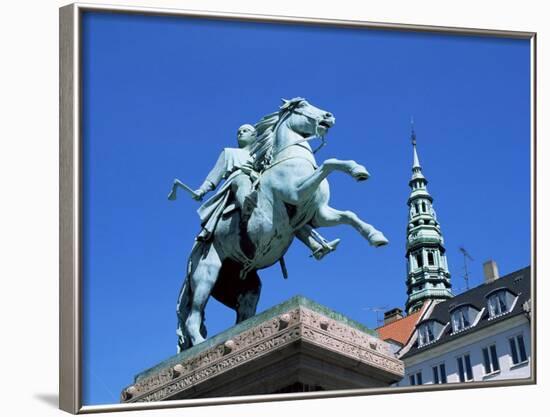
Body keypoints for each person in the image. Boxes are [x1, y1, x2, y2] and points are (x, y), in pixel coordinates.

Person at [168, 124, 339, 259]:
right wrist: (202, 190)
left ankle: (316, 246)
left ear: (254, 135)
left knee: (285, 208)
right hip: (237, 182)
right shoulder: (229, 153)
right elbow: (214, 176)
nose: (240, 133)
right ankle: (247, 209)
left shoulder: (262, 156)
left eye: (246, 130)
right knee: (241, 180)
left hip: (260, 185)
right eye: (239, 131)